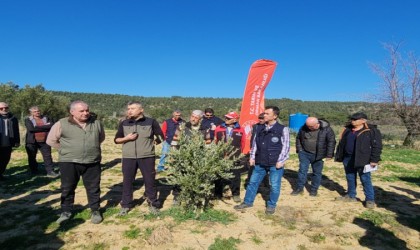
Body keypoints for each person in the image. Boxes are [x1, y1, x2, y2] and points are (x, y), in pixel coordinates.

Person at [47, 101, 105, 224]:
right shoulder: (62, 123)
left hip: (92, 161)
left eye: (87, 110)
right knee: (67, 187)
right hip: (69, 162)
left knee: (93, 187)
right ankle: (66, 211)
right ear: (72, 112)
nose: (86, 113)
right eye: (82, 111)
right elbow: (51, 140)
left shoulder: (96, 123)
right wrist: (65, 150)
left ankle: (95, 210)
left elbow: (101, 138)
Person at [234, 106, 290, 215]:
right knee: (252, 182)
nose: (264, 115)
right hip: (260, 161)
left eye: (267, 114)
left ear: (275, 116)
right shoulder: (259, 128)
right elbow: (254, 144)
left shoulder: (282, 129)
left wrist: (281, 160)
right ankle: (247, 202)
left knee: (274, 185)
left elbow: (286, 147)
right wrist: (252, 157)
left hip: (275, 163)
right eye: (264, 113)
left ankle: (271, 205)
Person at [114, 101, 164, 216]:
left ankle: (153, 204)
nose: (129, 111)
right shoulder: (124, 123)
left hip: (147, 157)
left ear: (141, 110)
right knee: (127, 181)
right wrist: (126, 138)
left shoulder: (151, 122)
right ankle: (126, 205)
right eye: (128, 108)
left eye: (132, 108)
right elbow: (117, 140)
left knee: (150, 181)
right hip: (128, 157)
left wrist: (154, 143)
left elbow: (161, 136)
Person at [334, 112, 382, 209]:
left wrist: (374, 160)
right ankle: (351, 195)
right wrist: (340, 155)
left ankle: (370, 200)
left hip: (363, 159)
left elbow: (377, 146)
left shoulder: (371, 131)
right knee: (350, 177)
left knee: (365, 179)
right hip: (348, 158)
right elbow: (341, 143)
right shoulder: (347, 129)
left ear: (363, 120)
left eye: (355, 119)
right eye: (352, 119)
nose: (352, 121)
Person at [291, 117, 336, 196]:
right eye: (308, 126)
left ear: (317, 124)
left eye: (311, 127)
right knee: (302, 171)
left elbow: (331, 142)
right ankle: (299, 188)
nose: (309, 128)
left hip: (319, 155)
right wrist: (300, 150)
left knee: (317, 173)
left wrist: (329, 154)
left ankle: (314, 190)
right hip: (304, 153)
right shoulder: (303, 127)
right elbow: (298, 138)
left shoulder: (327, 129)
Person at [214, 111, 246, 203]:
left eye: (228, 118)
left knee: (235, 176)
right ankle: (217, 193)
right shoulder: (219, 128)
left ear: (235, 119)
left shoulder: (241, 129)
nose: (226, 119)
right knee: (218, 175)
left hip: (234, 156)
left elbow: (243, 143)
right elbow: (215, 141)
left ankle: (236, 194)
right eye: (226, 118)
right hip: (220, 156)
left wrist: (239, 154)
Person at [24, 106, 59, 177]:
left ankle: (50, 171)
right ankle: (34, 171)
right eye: (35, 111)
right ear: (31, 113)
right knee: (32, 156)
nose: (37, 112)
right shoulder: (28, 120)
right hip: (32, 141)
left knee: (47, 156)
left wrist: (37, 127)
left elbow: (52, 126)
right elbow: (31, 129)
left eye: (38, 111)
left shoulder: (46, 118)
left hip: (45, 140)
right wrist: (45, 127)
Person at [245, 113, 270, 199]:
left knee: (265, 167)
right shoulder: (255, 126)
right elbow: (253, 138)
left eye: (262, 118)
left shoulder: (268, 127)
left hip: (265, 151)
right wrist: (251, 148)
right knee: (254, 168)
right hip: (255, 150)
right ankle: (252, 183)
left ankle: (266, 183)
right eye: (259, 118)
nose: (260, 120)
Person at [0, 102, 20, 181]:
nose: (4, 109)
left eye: (6, 108)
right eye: (1, 108)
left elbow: (16, 130)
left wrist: (17, 141)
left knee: (5, 160)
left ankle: (1, 174)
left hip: (8, 142)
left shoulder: (13, 118)